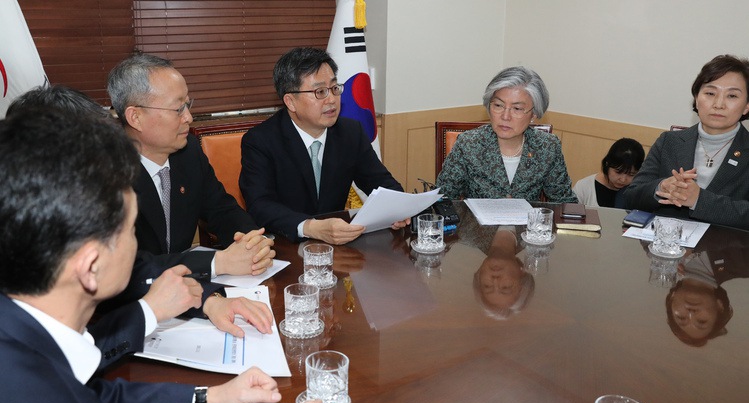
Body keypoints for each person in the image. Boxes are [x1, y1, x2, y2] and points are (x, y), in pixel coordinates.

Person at [0, 108, 335, 403]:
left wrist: (210, 400)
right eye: (131, 230)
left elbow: (99, 400)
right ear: (90, 266)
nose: (137, 248)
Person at [108, 53, 276, 338]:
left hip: (186, 302)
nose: (188, 116)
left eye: (188, 104)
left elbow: (221, 208)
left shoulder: (188, 153)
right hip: (127, 317)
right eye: (178, 108)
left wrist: (250, 241)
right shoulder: (105, 172)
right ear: (135, 116)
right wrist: (218, 263)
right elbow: (127, 268)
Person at [240, 47, 408, 245]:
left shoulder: (350, 132)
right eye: (320, 91)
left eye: (335, 88)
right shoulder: (261, 140)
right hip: (285, 245)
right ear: (290, 102)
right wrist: (310, 227)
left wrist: (398, 208)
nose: (331, 100)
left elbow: (381, 183)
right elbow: (260, 205)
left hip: (338, 246)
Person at [623, 55, 749, 229]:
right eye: (710, 93)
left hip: (727, 252)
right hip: (665, 248)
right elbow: (631, 196)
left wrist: (699, 200)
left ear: (747, 106)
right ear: (697, 99)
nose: (719, 104)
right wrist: (662, 188)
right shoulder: (669, 141)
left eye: (732, 96)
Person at [436, 66, 577, 203]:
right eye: (498, 105)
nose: (505, 116)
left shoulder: (547, 147)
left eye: (517, 108)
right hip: (478, 226)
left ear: (534, 114)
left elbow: (564, 202)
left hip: (527, 226)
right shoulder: (468, 144)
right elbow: (443, 198)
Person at [573, 138, 645, 208]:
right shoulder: (584, 187)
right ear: (607, 164)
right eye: (618, 172)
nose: (623, 180)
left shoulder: (639, 191)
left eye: (631, 174)